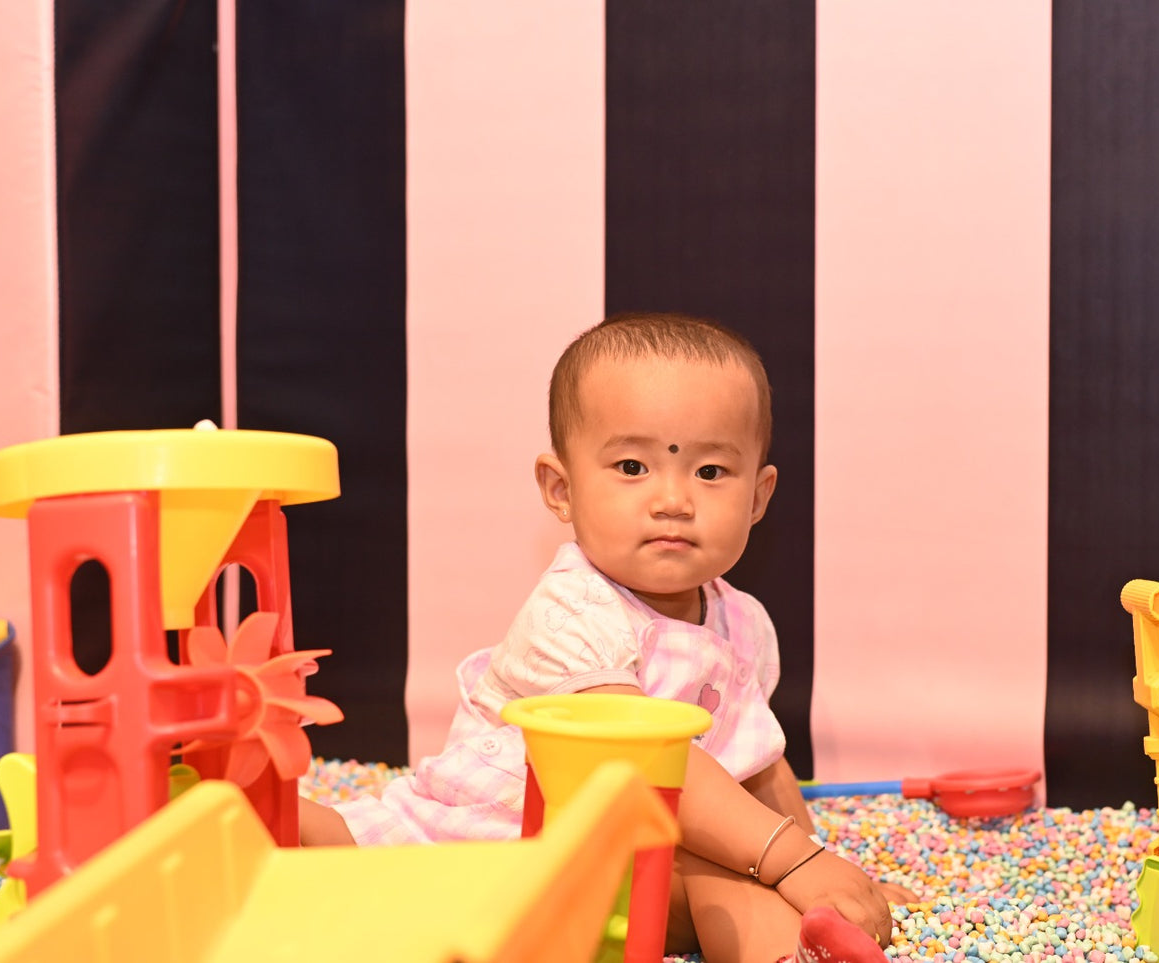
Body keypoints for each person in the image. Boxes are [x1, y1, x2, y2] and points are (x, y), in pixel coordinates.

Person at [299, 312, 905, 962]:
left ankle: (792, 946)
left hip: (636, 853)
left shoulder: (743, 622)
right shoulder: (572, 610)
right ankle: (236, 804)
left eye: (709, 473)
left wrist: (816, 872)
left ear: (757, 497)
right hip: (509, 832)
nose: (672, 499)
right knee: (339, 851)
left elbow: (756, 763)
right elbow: (642, 759)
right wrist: (787, 859)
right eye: (631, 465)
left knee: (729, 870)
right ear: (561, 488)